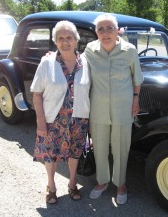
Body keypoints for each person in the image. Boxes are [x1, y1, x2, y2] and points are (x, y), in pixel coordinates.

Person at [83, 14, 144, 205]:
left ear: (117, 30)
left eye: (109, 28)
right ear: (96, 33)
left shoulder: (129, 50)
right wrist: (55, 56)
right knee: (99, 146)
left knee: (120, 147)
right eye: (101, 29)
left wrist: (136, 99)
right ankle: (101, 181)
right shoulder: (90, 50)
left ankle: (120, 184)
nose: (105, 32)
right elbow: (76, 66)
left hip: (122, 107)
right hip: (98, 108)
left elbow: (137, 78)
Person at [30, 20, 91, 204]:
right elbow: (37, 94)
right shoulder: (47, 62)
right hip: (52, 118)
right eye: (60, 38)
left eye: (69, 37)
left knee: (74, 152)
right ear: (55, 41)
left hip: (79, 118)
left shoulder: (85, 62)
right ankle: (51, 186)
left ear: (76, 40)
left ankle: (72, 184)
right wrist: (40, 122)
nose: (65, 41)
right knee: (50, 154)